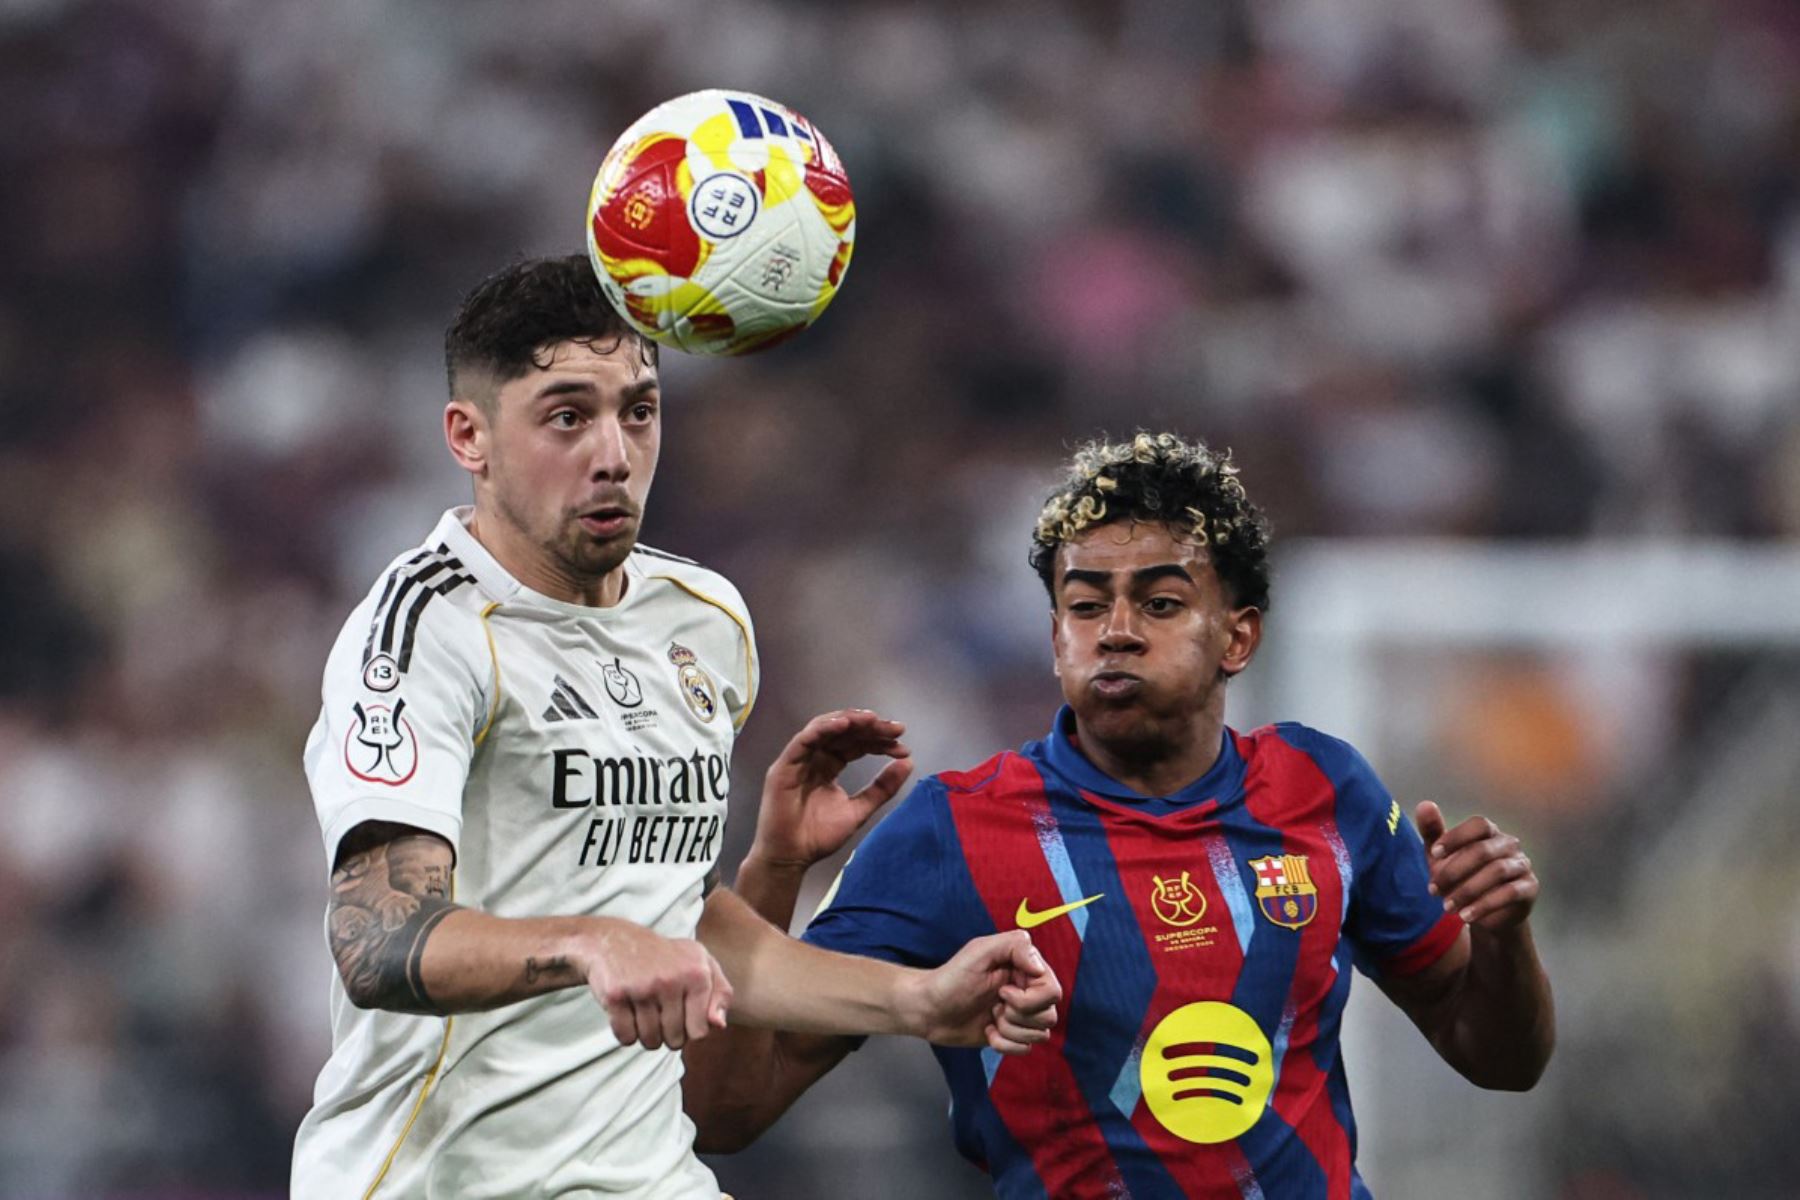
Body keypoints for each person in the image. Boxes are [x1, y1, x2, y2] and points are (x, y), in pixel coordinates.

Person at [289, 255, 1060, 1200]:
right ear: (470, 436)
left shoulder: (704, 621)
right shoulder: (423, 630)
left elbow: (683, 921)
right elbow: (379, 941)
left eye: (639, 410)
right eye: (567, 416)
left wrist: (919, 1000)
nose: (613, 452)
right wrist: (587, 942)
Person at [683, 432, 1555, 1198]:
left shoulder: (1327, 790)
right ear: (1055, 635)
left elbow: (1502, 1060)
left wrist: (1506, 933)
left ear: (1238, 637)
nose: (1117, 630)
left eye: (1162, 603)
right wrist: (776, 868)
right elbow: (726, 1111)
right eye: (1086, 604)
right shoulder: (949, 831)